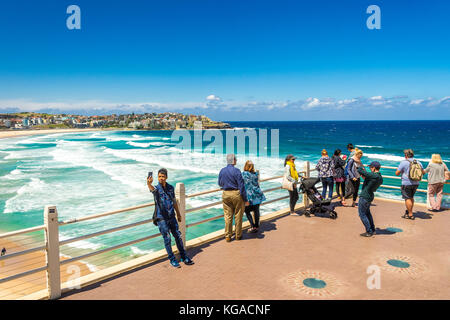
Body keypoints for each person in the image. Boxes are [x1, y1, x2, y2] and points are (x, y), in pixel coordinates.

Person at [147, 168, 194, 268]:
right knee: (167, 238)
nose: (161, 178)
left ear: (166, 177)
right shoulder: (156, 189)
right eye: (159, 177)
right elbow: (151, 189)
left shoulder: (171, 188)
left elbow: (174, 202)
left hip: (172, 216)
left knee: (178, 236)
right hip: (161, 218)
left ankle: (184, 256)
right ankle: (172, 259)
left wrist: (179, 214)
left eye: (163, 177)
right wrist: (148, 183)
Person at [218, 154, 250, 242]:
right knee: (238, 215)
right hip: (236, 194)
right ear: (233, 161)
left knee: (228, 216)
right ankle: (238, 235)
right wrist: (245, 199)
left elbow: (220, 183)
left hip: (226, 194)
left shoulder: (222, 170)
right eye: (236, 159)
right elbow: (241, 186)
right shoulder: (237, 171)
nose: (236, 161)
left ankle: (228, 236)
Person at [396, 149, 425, 220]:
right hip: (416, 183)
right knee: (411, 197)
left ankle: (410, 214)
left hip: (406, 183)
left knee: (407, 198)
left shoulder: (404, 162)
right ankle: (410, 211)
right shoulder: (418, 162)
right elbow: (423, 172)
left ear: (406, 155)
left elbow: (397, 173)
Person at [357, 161, 383, 237]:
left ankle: (369, 231)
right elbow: (368, 179)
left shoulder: (374, 175)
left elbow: (360, 171)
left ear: (374, 168)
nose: (370, 169)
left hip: (365, 196)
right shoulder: (380, 178)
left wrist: (360, 167)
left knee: (362, 214)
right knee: (367, 213)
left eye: (370, 167)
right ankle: (373, 229)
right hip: (370, 195)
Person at [242, 160, 266, 233]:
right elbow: (257, 183)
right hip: (257, 194)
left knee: (246, 211)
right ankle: (256, 226)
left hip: (249, 195)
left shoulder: (244, 174)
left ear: (246, 166)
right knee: (256, 211)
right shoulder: (256, 173)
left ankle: (252, 226)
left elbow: (242, 183)